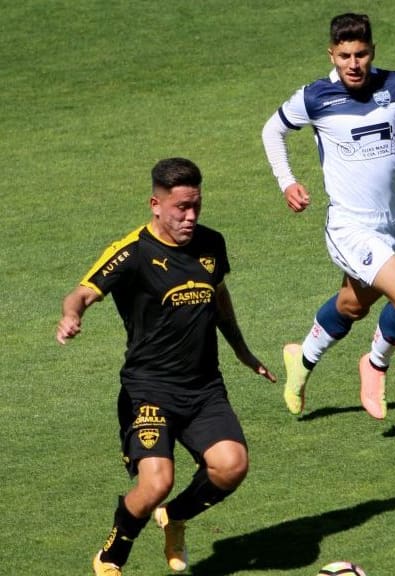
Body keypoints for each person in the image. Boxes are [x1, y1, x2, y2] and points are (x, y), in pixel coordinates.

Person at [56, 158, 277, 576]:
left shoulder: (212, 244)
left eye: (196, 206)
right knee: (156, 482)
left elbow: (220, 300)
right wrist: (72, 316)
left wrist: (242, 351)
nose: (190, 217)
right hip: (149, 388)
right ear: (155, 204)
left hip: (203, 386)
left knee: (231, 466)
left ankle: (174, 518)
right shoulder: (133, 252)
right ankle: (111, 557)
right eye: (181, 208)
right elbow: (82, 292)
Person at [262, 13, 395, 419]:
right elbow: (272, 131)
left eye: (361, 54)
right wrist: (287, 181)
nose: (354, 63)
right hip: (350, 227)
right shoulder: (315, 97)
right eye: (345, 56)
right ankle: (375, 364)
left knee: (353, 305)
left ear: (371, 52)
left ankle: (301, 359)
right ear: (332, 54)